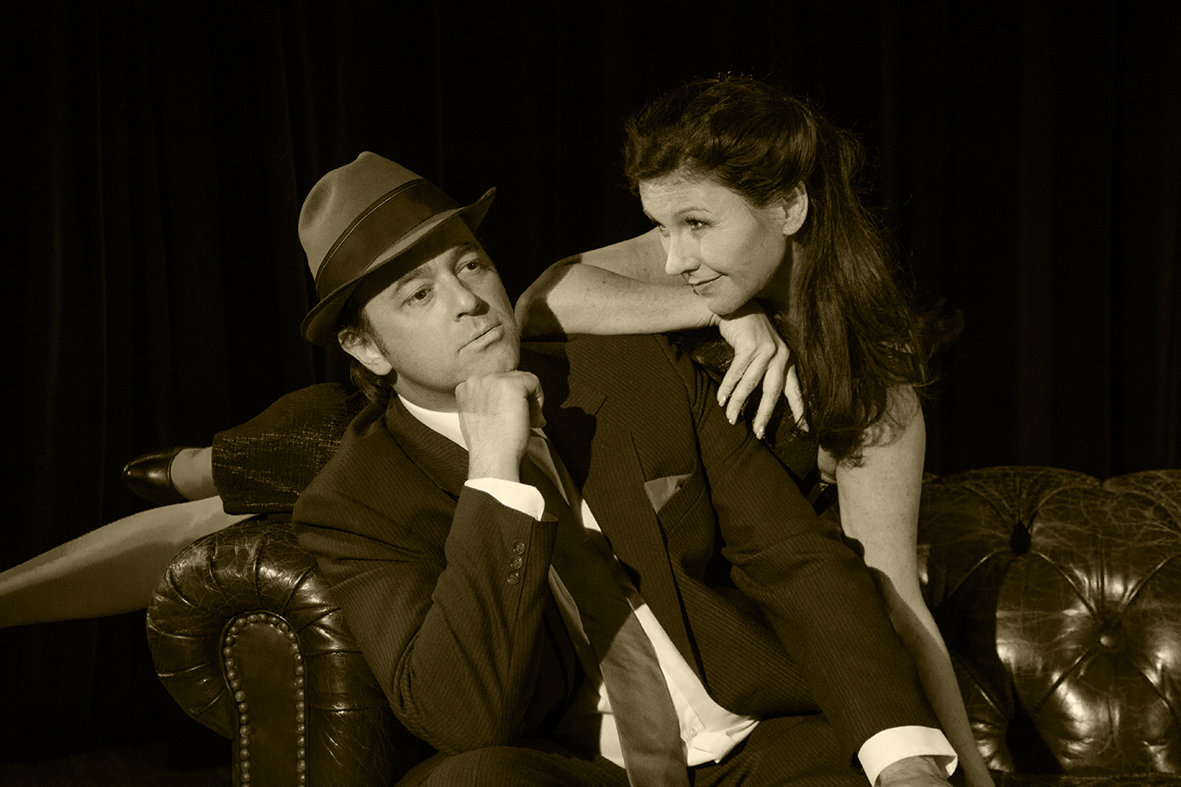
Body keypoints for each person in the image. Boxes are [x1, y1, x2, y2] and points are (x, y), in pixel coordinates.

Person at [288, 150, 957, 787]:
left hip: (758, 744)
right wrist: (492, 476)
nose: (467, 300)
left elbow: (796, 559)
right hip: (581, 769)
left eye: (471, 265)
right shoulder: (354, 502)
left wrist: (901, 756)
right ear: (367, 347)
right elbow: (462, 718)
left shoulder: (632, 372)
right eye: (418, 295)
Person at [514, 76, 991, 787]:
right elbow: (539, 303)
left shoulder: (871, 380)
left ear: (789, 206)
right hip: (643, 655)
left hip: (775, 678)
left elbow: (891, 597)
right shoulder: (698, 272)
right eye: (661, 227)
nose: (673, 258)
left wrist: (969, 774)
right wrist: (722, 314)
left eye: (696, 225)